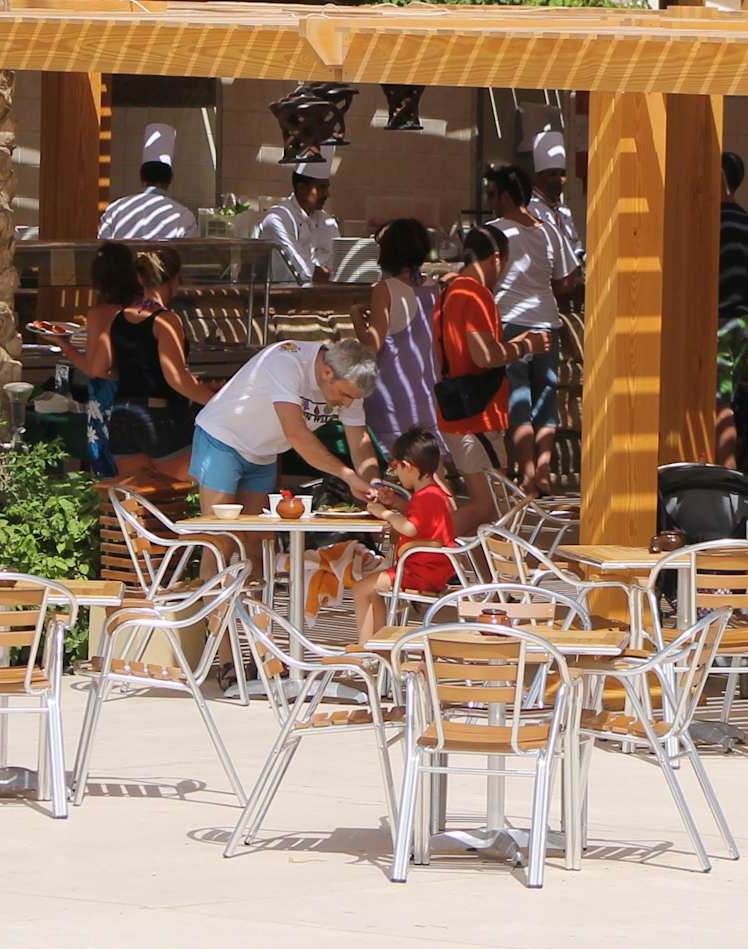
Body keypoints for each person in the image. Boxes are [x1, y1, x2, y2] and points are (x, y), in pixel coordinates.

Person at [436, 224, 547, 535]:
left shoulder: (449, 292)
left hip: (457, 411)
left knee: (491, 510)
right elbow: (485, 355)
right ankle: (417, 544)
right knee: (490, 508)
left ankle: (478, 570)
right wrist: (527, 345)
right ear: (496, 258)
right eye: (506, 263)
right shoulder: (475, 294)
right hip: (478, 417)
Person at [189, 336, 382, 515]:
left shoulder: (349, 384)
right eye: (345, 395)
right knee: (221, 532)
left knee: (257, 536)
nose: (348, 404)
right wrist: (347, 475)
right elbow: (296, 434)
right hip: (223, 440)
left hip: (264, 453)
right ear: (327, 372)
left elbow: (359, 442)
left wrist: (374, 485)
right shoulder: (286, 361)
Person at [78, 244, 212, 481]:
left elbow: (98, 368)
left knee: (135, 496)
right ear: (175, 280)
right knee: (196, 487)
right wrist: (216, 402)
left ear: (140, 279)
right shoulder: (166, 320)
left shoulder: (118, 318)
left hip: (121, 416)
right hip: (159, 417)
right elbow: (176, 378)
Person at [483, 162, 570, 496]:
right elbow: (566, 279)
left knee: (517, 398)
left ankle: (528, 472)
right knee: (545, 399)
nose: (490, 201)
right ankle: (544, 471)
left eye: (492, 194)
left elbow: (480, 279)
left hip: (509, 323)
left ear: (506, 196)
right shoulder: (549, 231)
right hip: (547, 321)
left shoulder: (493, 232)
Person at [349, 427, 462, 645]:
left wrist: (385, 513)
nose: (396, 474)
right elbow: (419, 517)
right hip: (432, 568)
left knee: (360, 588)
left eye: (395, 467)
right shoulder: (434, 493)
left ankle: (365, 648)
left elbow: (410, 528)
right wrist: (396, 502)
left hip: (420, 571)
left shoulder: (425, 496)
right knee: (371, 590)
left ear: (407, 466)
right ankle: (375, 646)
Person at [354, 219, 441, 451]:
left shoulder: (385, 289)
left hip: (392, 395)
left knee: (396, 459)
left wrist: (355, 317)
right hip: (427, 390)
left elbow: (372, 346)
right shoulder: (434, 288)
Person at [716, 151, 748, 471]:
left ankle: (726, 474)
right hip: (743, 319)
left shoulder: (715, 220)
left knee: (719, 403)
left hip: (720, 319)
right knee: (726, 397)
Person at [96, 124, 199, 242]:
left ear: (141, 176)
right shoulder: (183, 215)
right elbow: (189, 251)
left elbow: (102, 245)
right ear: (170, 180)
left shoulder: (115, 209)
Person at [256, 157, 340, 284]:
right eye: (321, 188)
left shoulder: (328, 222)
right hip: (282, 294)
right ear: (301, 188)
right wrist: (332, 274)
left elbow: (340, 264)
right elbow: (302, 271)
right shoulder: (277, 219)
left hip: (323, 293)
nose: (327, 194)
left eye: (327, 188)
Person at [526, 128, 585, 281]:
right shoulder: (530, 210)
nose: (558, 180)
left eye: (562, 174)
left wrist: (581, 258)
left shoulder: (563, 210)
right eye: (552, 174)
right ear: (538, 177)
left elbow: (574, 243)